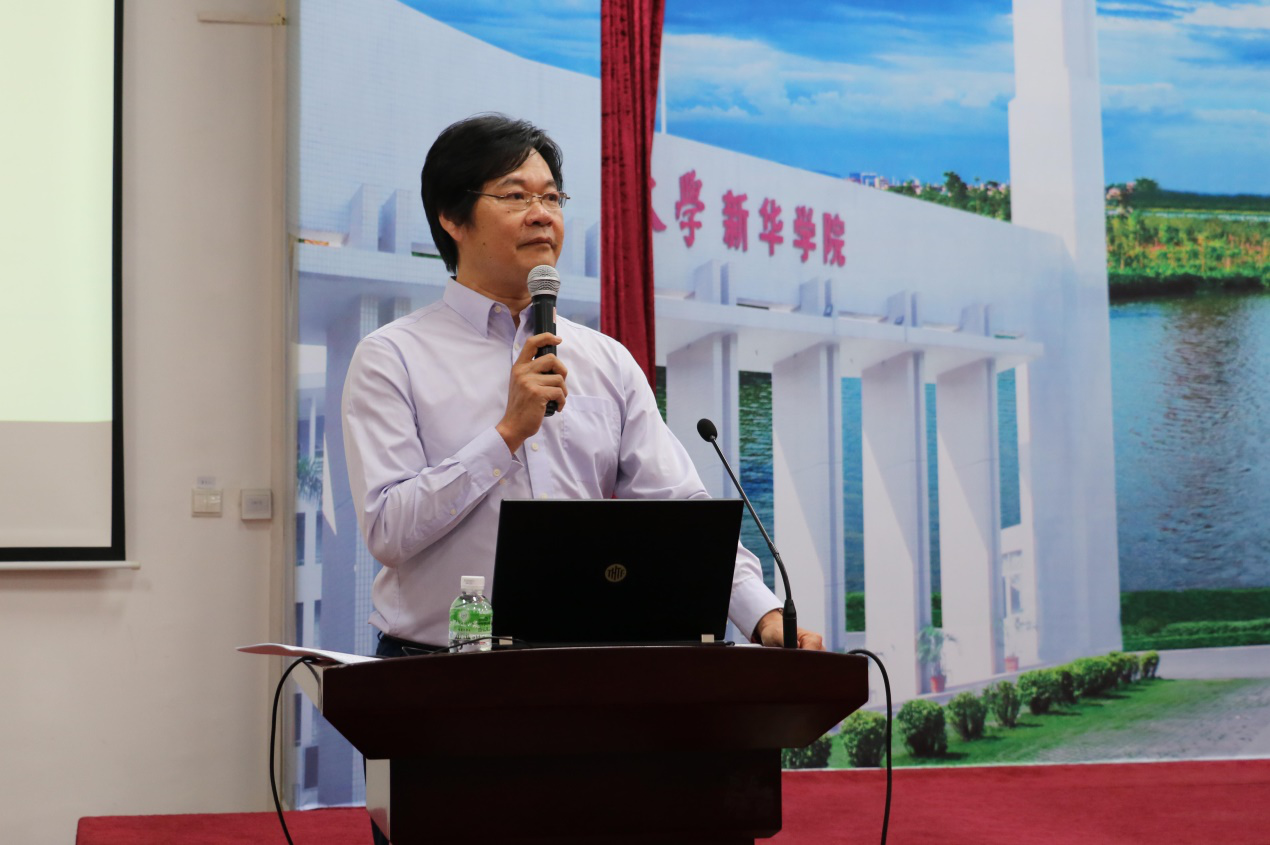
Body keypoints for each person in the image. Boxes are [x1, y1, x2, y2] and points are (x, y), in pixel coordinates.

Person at [342, 113, 824, 657]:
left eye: (552, 198)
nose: (541, 215)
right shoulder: (393, 356)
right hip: (438, 666)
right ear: (452, 217)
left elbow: (680, 512)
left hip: (583, 662)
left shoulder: (605, 360)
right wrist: (505, 435)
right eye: (516, 196)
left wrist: (762, 614)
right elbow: (388, 530)